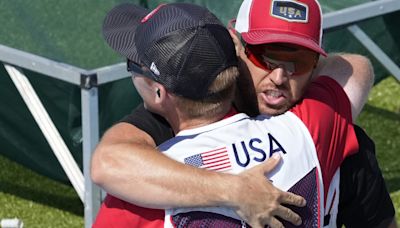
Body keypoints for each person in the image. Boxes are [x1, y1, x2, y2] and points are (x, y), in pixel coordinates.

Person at [91, 0, 395, 227]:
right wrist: (234, 190)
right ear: (236, 48)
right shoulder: (317, 126)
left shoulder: (148, 184)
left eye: (299, 61)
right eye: (265, 56)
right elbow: (352, 70)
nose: (279, 77)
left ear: (160, 93)